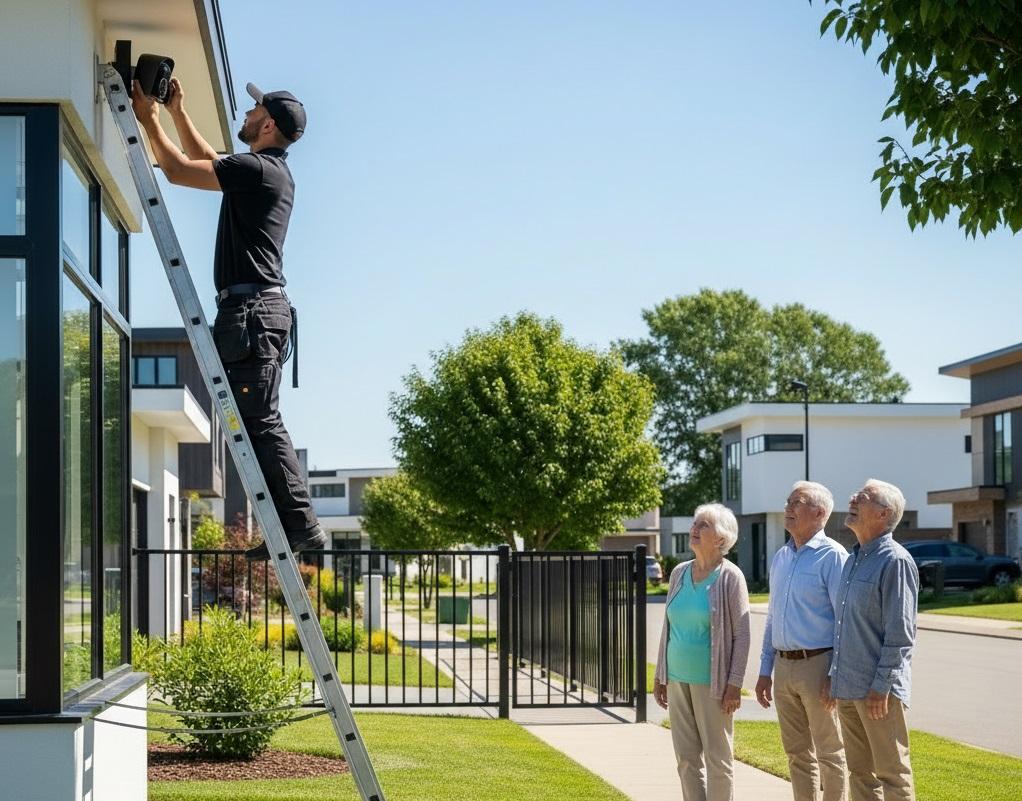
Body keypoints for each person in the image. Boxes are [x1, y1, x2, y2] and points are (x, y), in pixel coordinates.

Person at [131, 76, 326, 560]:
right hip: (256, 311)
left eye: (252, 111)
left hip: (252, 313)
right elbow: (208, 160)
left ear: (267, 124)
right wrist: (175, 112)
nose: (244, 115)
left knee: (260, 421)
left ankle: (300, 526)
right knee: (258, 421)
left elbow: (178, 170)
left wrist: (148, 117)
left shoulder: (261, 170)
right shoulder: (260, 170)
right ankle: (291, 526)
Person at [823, 479, 919, 801]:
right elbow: (844, 628)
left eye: (863, 497)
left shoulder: (895, 561)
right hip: (849, 687)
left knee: (892, 774)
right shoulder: (853, 559)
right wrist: (834, 677)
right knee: (859, 774)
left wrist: (882, 687)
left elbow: (901, 634)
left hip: (879, 692)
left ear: (883, 513)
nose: (853, 498)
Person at [756, 481, 848, 801]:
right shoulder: (781, 557)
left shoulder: (833, 556)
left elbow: (844, 622)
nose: (788, 507)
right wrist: (765, 669)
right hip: (783, 666)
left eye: (798, 502)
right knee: (796, 753)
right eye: (788, 501)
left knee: (830, 752)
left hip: (818, 665)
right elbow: (772, 617)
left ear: (820, 512)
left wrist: (836, 675)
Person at [653, 503, 751, 801]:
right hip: (677, 678)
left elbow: (742, 635)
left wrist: (734, 684)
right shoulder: (679, 574)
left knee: (717, 759)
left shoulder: (730, 577)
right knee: (686, 759)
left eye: (703, 526)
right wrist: (660, 676)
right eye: (695, 524)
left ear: (721, 537)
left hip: (714, 685)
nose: (694, 530)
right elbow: (669, 627)